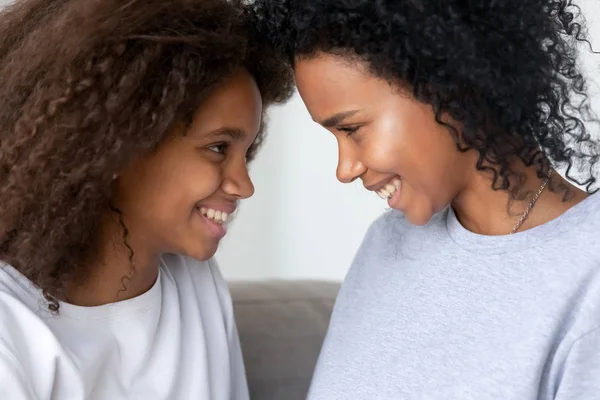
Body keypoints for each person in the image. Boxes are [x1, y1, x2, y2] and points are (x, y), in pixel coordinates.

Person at [250, 0, 600, 398]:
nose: (344, 168)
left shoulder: (589, 274)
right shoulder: (387, 244)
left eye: (352, 129)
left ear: (450, 85)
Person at [0, 0, 292, 399]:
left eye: (247, 151)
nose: (244, 185)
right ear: (119, 145)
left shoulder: (195, 284)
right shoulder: (10, 329)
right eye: (219, 148)